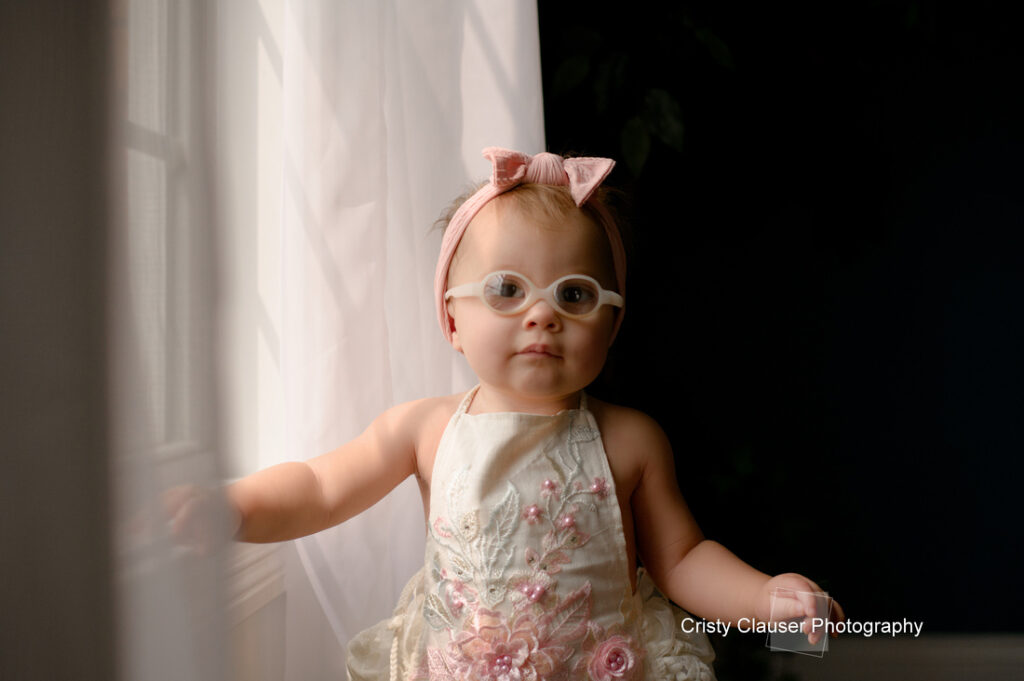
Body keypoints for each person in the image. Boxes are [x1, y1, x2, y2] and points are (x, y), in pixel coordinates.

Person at [172, 147, 844, 681]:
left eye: (574, 293)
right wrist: (231, 507)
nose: (542, 313)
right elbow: (320, 488)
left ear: (611, 327)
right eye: (506, 289)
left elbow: (683, 558)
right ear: (451, 319)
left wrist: (764, 597)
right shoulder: (425, 429)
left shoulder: (631, 439)